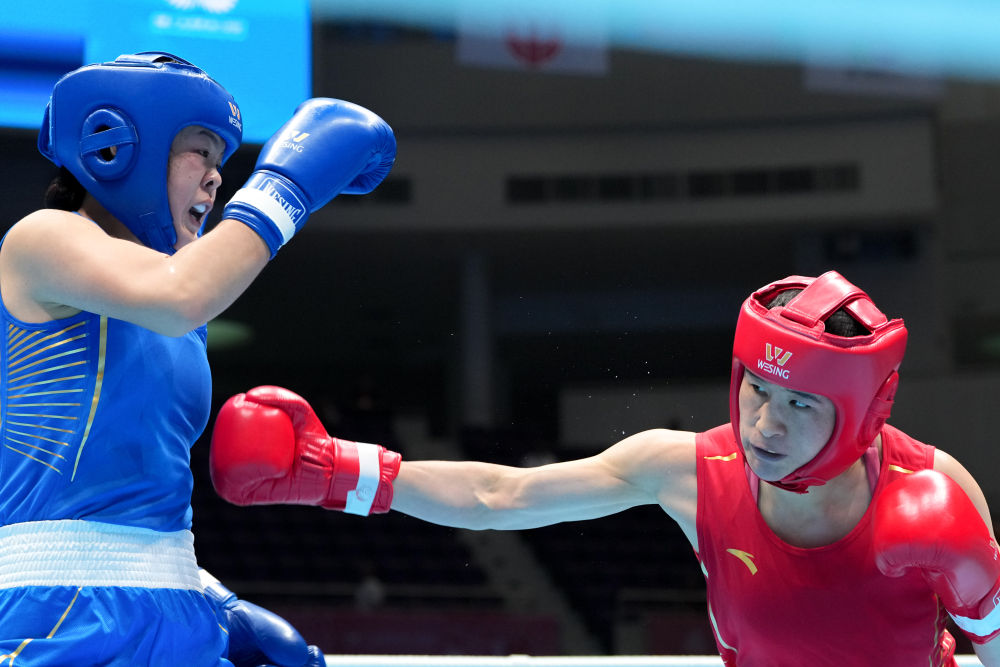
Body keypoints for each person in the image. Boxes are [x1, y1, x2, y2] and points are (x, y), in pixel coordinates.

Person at [209, 270, 1000, 666]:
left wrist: (989, 609)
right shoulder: (693, 470)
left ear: (860, 413)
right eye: (757, 389)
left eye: (799, 404)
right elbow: (500, 493)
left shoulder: (935, 488)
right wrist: (336, 472)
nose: (764, 423)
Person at [0, 51, 395, 666]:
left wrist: (206, 593)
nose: (215, 179)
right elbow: (180, 295)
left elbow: (143, 493)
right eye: (200, 152)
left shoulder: (181, 313)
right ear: (114, 145)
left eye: (221, 163)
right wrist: (285, 188)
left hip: (172, 608)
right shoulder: (43, 238)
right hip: (57, 614)